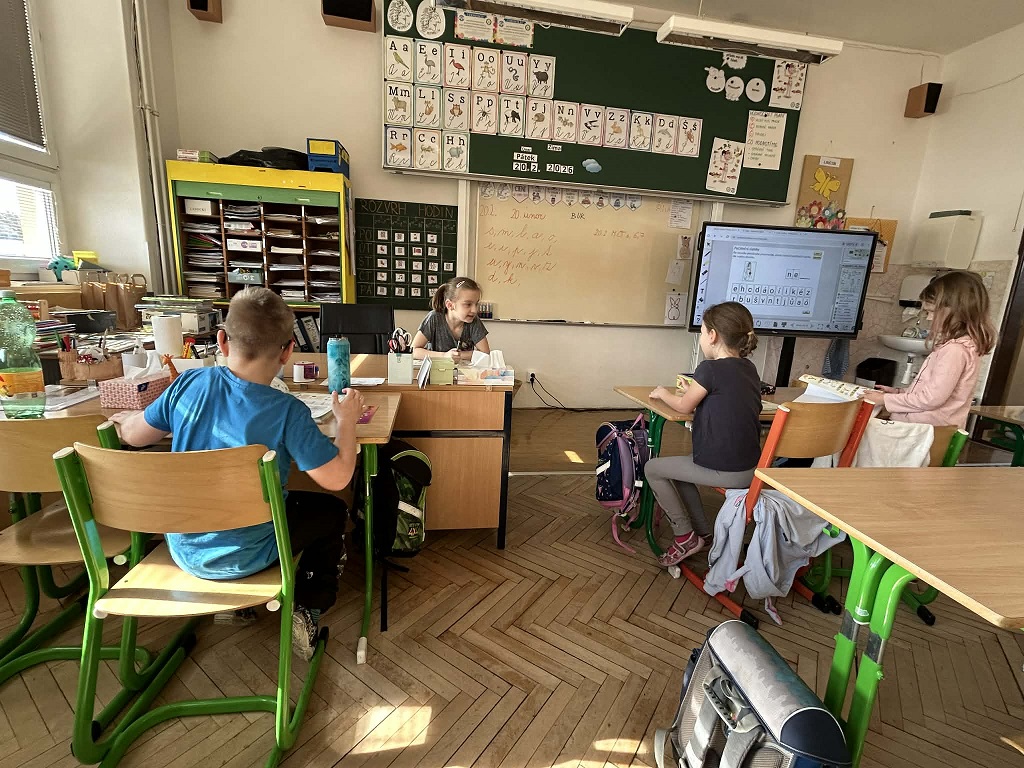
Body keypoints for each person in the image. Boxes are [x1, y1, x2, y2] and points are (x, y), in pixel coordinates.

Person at [111, 287, 364, 660]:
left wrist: (125, 419)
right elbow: (338, 478)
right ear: (288, 351)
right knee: (331, 511)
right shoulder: (288, 411)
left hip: (184, 548)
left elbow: (134, 436)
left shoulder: (187, 384)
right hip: (251, 554)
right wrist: (347, 422)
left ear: (221, 341)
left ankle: (236, 609)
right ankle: (308, 606)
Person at [644, 302, 762, 567]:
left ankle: (684, 536)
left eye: (702, 332)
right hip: (752, 469)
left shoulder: (709, 369)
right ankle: (702, 533)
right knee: (681, 469)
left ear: (713, 336)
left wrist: (663, 393)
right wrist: (695, 390)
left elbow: (684, 406)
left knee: (653, 468)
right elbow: (723, 397)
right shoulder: (749, 368)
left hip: (726, 471)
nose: (701, 338)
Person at [864, 270, 995, 428]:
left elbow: (930, 399)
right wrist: (899, 393)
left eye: (931, 311)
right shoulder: (961, 347)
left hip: (923, 431)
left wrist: (884, 400)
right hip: (929, 428)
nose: (928, 318)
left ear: (957, 312)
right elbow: (933, 392)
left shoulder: (954, 351)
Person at [412, 276, 491, 362]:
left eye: (476, 304)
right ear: (450, 305)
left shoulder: (474, 321)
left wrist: (458, 355)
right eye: (468, 304)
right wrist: (444, 356)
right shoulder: (434, 318)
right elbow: (414, 350)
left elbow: (485, 353)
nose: (474, 310)